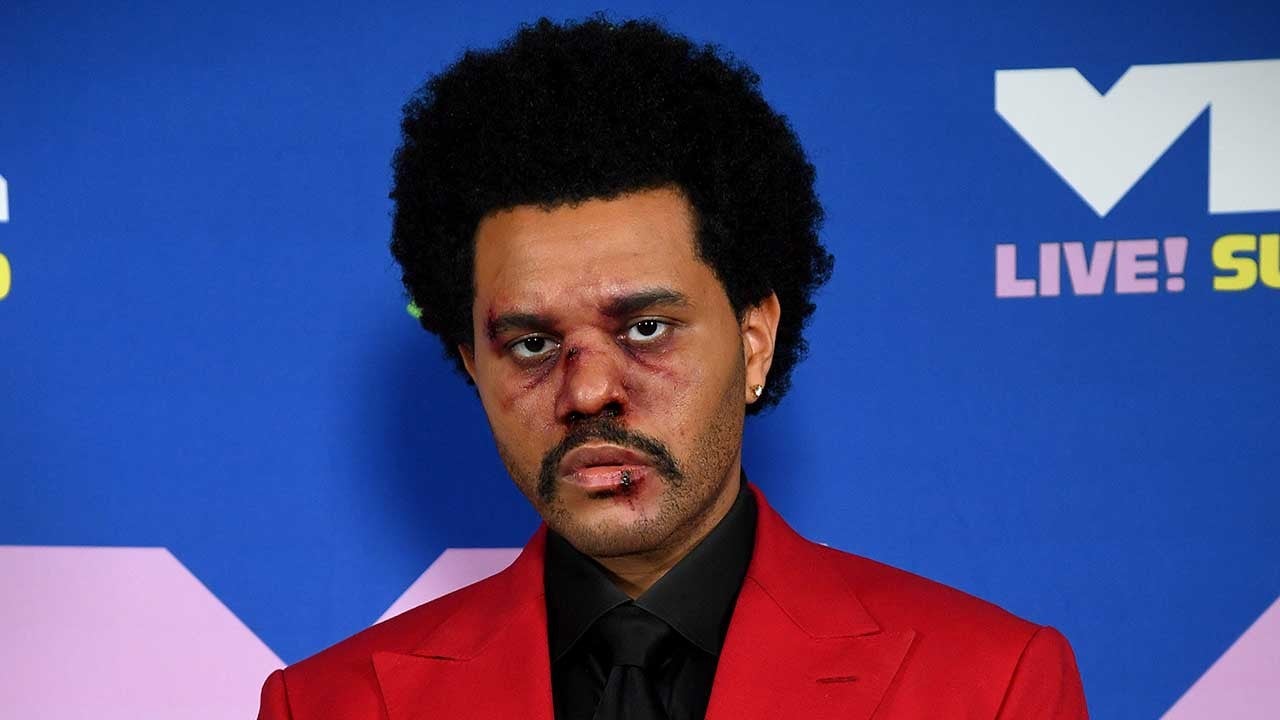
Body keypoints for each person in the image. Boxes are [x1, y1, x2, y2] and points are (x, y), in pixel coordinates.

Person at [257, 16, 1088, 720]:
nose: (588, 391)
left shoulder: (988, 685)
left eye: (646, 328)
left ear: (754, 339)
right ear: (472, 365)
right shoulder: (327, 705)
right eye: (532, 344)